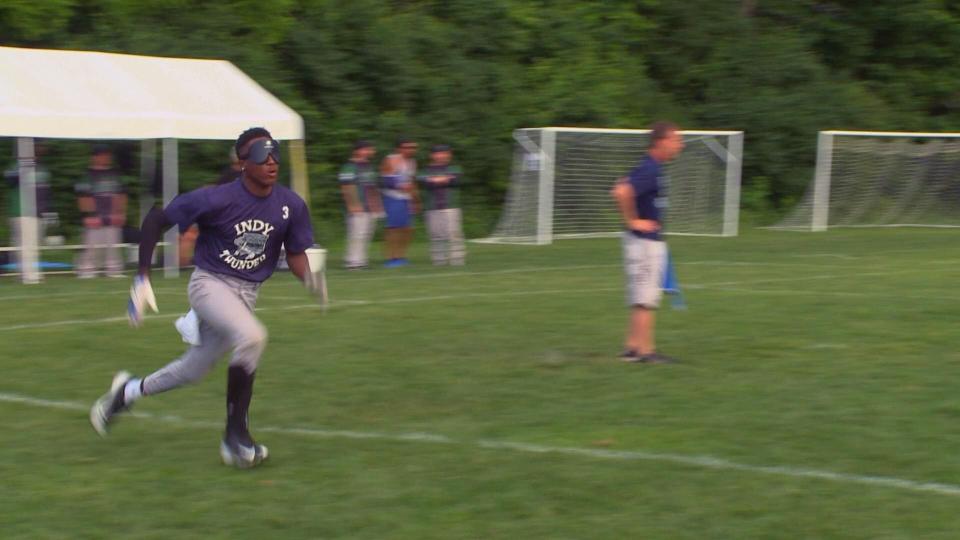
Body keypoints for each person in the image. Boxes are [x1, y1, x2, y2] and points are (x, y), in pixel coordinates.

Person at [90, 127, 317, 469]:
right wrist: (142, 277)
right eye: (261, 155)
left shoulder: (289, 205)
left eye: (275, 154)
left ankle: (125, 393)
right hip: (209, 284)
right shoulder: (217, 198)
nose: (271, 162)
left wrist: (312, 279)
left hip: (245, 294)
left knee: (193, 370)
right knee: (253, 336)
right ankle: (235, 437)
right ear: (242, 163)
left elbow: (296, 253)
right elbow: (155, 220)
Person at [611, 121, 685, 364]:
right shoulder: (650, 169)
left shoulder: (650, 167)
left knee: (640, 297)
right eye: (676, 140)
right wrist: (633, 220)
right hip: (644, 243)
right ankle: (646, 352)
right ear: (662, 141)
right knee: (646, 299)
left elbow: (621, 186)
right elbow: (622, 191)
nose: (680, 145)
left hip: (643, 242)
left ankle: (632, 348)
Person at [75, 145, 127, 278]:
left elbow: (120, 194)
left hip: (111, 217)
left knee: (113, 245)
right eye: (103, 155)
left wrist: (119, 213)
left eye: (108, 155)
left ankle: (113, 270)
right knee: (92, 246)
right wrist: (89, 215)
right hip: (95, 217)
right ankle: (87, 271)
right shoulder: (86, 175)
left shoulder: (114, 174)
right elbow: (83, 196)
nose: (106, 157)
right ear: (94, 157)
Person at [4, 144, 52, 272]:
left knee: (34, 245)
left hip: (38, 213)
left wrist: (47, 211)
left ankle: (27, 274)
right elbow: (10, 180)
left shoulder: (42, 169)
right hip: (22, 212)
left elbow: (46, 192)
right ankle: (30, 277)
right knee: (27, 246)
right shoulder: (15, 166)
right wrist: (25, 164)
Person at [417, 144, 465, 265]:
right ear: (432, 155)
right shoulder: (425, 170)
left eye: (446, 153)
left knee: (454, 234)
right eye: (440, 153)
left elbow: (455, 181)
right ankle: (439, 261)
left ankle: (457, 260)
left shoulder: (455, 168)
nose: (443, 156)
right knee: (436, 235)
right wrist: (442, 179)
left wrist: (434, 179)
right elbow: (424, 182)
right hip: (432, 207)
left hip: (451, 206)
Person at [339, 140, 381, 269]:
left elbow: (373, 187)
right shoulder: (349, 167)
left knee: (367, 234)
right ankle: (353, 262)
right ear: (357, 151)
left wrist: (376, 204)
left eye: (370, 149)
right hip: (358, 207)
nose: (369, 152)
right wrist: (353, 205)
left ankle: (361, 260)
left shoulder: (368, 167)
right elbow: (346, 187)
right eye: (366, 149)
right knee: (357, 234)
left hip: (370, 207)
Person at [379, 138, 419, 267]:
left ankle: (401, 256)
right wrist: (401, 186)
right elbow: (386, 180)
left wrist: (415, 199)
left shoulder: (412, 162)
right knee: (393, 228)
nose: (410, 150)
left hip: (406, 198)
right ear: (399, 149)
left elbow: (412, 181)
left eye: (412, 147)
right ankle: (391, 257)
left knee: (407, 229)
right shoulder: (391, 160)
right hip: (393, 198)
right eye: (407, 147)